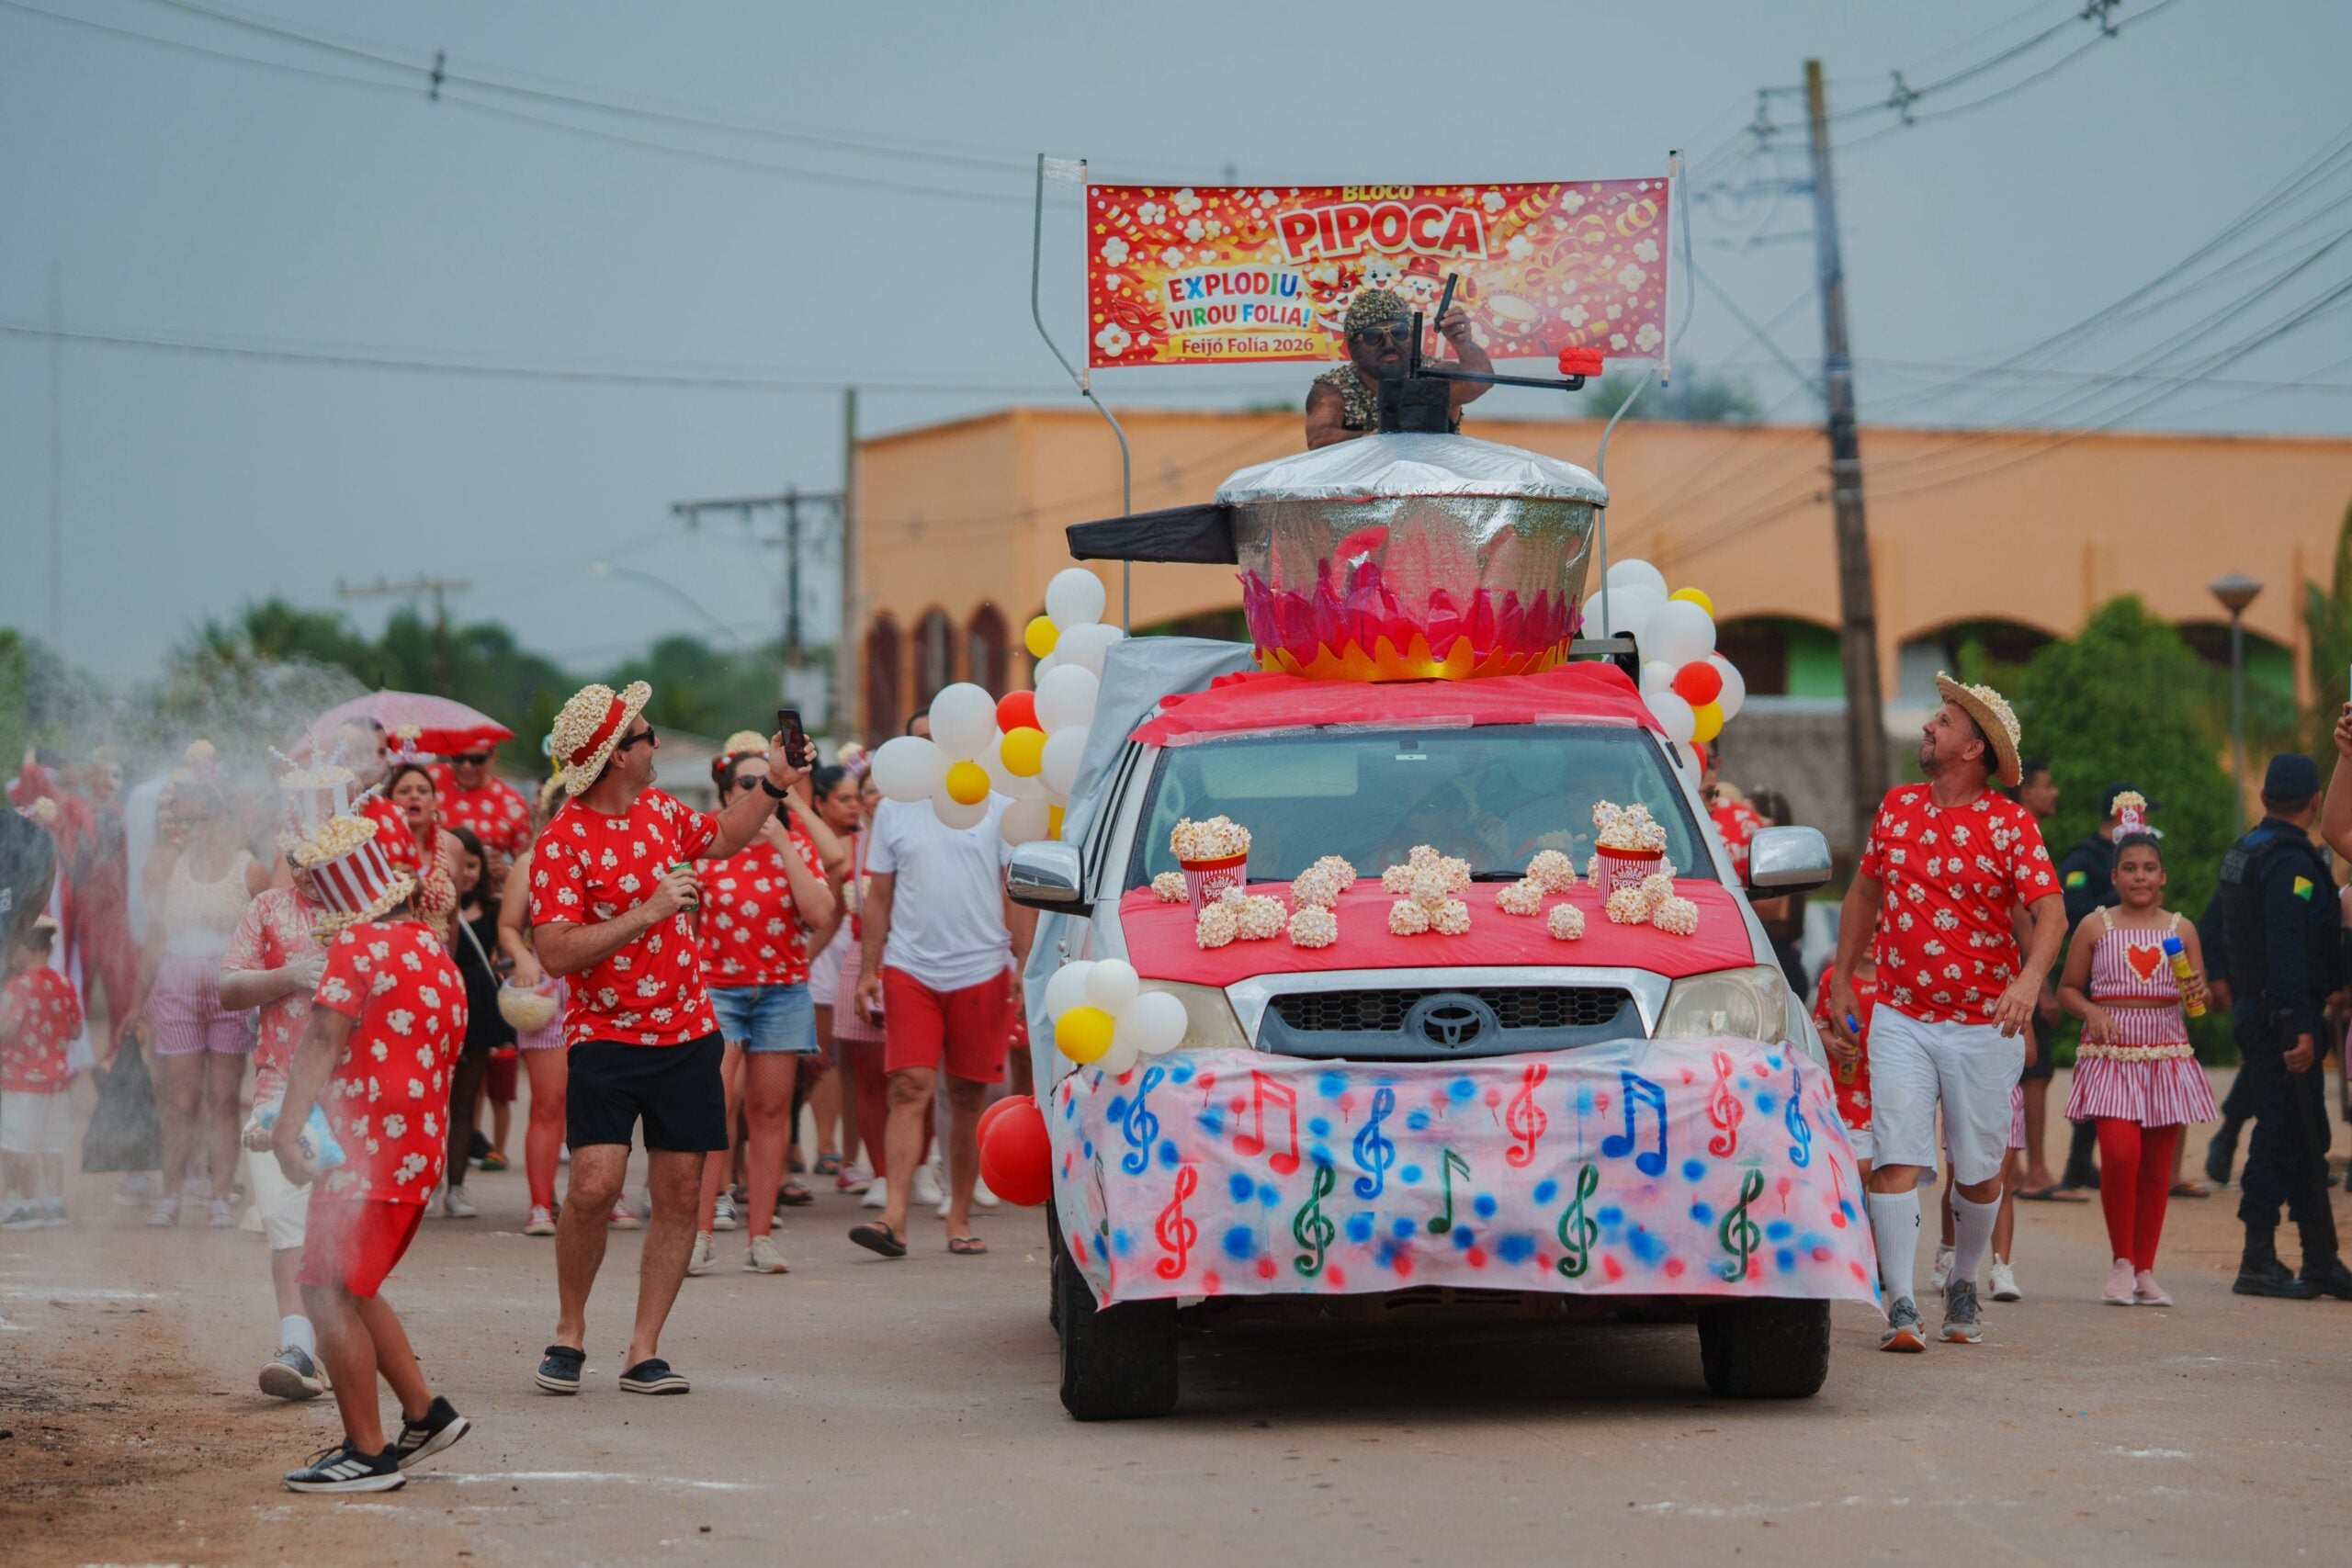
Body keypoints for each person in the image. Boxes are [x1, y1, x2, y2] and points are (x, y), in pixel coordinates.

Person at [526, 683, 806, 1398]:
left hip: (688, 1031)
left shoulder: (659, 809)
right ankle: (569, 1331)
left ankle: (643, 1349)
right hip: (605, 1034)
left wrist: (775, 782)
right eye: (646, 734)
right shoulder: (561, 839)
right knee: (595, 1183)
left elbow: (725, 835)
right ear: (618, 756)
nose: (656, 742)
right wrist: (647, 912)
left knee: (680, 1190)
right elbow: (554, 950)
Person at [1827, 675, 2063, 1351]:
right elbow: (1863, 893)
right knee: (1895, 1155)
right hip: (1901, 1016)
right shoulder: (1896, 806)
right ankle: (1900, 1304)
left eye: (1944, 721)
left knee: (1981, 1170)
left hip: (1985, 1024)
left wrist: (2028, 982)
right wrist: (1842, 977)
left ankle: (1963, 1280)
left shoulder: (2011, 823)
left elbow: (2051, 911)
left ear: (1973, 749)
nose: (1929, 726)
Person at [267, 805, 470, 1494]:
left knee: (324, 1289)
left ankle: (367, 1451)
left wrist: (286, 1128)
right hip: (413, 1153)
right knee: (353, 1285)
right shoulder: (431, 948)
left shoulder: (357, 947)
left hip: (367, 1155)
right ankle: (424, 1415)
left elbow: (323, 1038)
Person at [846, 784, 1035, 1259]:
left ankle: (959, 1217)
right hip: (910, 967)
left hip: (983, 968)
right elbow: (879, 896)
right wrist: (869, 969)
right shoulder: (894, 809)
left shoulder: (998, 806)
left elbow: (1017, 892)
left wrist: (1025, 963)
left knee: (969, 1094)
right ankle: (893, 1217)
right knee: (910, 1085)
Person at [2052, 818, 2217, 1306]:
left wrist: (2199, 991)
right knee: (2121, 1156)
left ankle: (2145, 1270)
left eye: (2148, 868)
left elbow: (2200, 1000)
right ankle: (2121, 1261)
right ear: (2115, 876)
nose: (2140, 876)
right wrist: (2091, 1011)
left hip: (2166, 1055)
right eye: (2129, 868)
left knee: (2156, 1170)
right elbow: (2067, 990)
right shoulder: (2094, 926)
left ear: (2162, 876)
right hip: (2110, 1056)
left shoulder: (2181, 928)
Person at [2208, 754, 2352, 1300]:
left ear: (2266, 797)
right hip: (2283, 1018)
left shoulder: (2246, 850)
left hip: (2262, 1011)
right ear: (2314, 801)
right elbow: (2286, 945)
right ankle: (2258, 1259)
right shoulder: (2290, 861)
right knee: (2280, 1136)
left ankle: (2320, 1258)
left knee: (2306, 1134)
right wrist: (2300, 1025)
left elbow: (2221, 926)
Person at [689, 750, 835, 1277]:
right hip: (718, 992)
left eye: (767, 780)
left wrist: (783, 844)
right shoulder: (706, 845)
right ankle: (700, 1234)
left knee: (770, 1114)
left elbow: (820, 914)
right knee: (713, 1107)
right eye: (747, 781)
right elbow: (681, 923)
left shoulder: (795, 842)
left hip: (781, 993)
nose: (759, 788)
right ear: (728, 792)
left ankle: (760, 1238)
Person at [125, 761, 269, 1228]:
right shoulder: (168, 866)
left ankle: (220, 1195)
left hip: (229, 989)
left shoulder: (250, 870)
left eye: (194, 819)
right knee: (180, 1097)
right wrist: (136, 1002)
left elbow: (266, 939)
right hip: (178, 984)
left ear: (218, 818)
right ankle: (171, 1193)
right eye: (180, 821)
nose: (186, 830)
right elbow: (155, 938)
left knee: (224, 1096)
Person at [219, 850, 334, 1400]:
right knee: (287, 1226)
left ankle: (337, 1345)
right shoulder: (267, 907)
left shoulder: (372, 910)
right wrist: (291, 975)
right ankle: (297, 1348)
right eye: (297, 859)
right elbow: (228, 987)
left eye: (323, 858)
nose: (307, 871)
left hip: (352, 1093)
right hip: (278, 1088)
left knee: (341, 1233)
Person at [2045, 784, 2143, 1196]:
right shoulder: (2084, 858)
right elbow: (2071, 909)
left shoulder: (2133, 855)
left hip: (2131, 972)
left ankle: (2082, 1160)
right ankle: (2079, 1160)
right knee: (2097, 1069)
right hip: (2093, 977)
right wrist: (2119, 895)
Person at [497, 778, 571, 1237]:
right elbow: (508, 926)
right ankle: (541, 1204)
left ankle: (602, 1194)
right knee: (549, 1100)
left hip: (606, 987)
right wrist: (524, 959)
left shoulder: (618, 854)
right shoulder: (530, 862)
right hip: (549, 989)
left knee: (605, 1100)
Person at [1304, 287, 1492, 449]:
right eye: (1373, 336)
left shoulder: (1432, 375)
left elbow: (1476, 383)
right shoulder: (1333, 388)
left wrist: (1463, 343)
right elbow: (1319, 438)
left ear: (1412, 336)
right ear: (1352, 348)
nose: (1389, 344)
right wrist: (1374, 439)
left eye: (1399, 332)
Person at [439, 826, 514, 1221]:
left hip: (479, 1012)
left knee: (465, 1103)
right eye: (460, 864)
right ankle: (427, 1181)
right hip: (438, 1006)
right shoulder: (431, 902)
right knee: (430, 1102)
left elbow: (512, 945)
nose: (466, 873)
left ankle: (456, 1186)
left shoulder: (494, 906)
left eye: (473, 865)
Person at [1, 917, 81, 1228]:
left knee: (20, 1144)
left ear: (22, 948)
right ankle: (55, 1203)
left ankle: (28, 1204)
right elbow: (75, 1030)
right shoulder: (64, 984)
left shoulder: (18, 986)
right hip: (57, 1079)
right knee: (52, 1145)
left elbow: (9, 1029)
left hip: (22, 1080)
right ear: (49, 947)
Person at [804, 763, 865, 1179]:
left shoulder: (871, 840)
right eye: (843, 799)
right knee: (820, 1058)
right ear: (820, 802)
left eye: (856, 798)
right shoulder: (805, 840)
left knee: (854, 1063)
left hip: (857, 949)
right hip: (820, 950)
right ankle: (823, 1144)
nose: (853, 806)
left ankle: (849, 1156)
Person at [1811, 950, 1876, 1184]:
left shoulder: (1898, 980)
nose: (1871, 936)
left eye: (1878, 931)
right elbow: (1819, 1025)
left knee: (1885, 1173)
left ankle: (1871, 1209)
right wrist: (1833, 1044)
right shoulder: (1834, 979)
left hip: (1887, 1087)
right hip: (1848, 1085)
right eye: (1865, 931)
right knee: (1859, 1166)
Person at [428, 743, 533, 886]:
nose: (466, 766)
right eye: (458, 758)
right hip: (432, 887)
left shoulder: (512, 803)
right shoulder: (429, 781)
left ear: (492, 755)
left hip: (484, 893)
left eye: (477, 759)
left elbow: (527, 868)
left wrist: (505, 871)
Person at [385, 763, 461, 945]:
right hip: (390, 949)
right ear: (389, 801)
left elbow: (453, 922)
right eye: (404, 791)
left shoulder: (452, 846)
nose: (414, 796)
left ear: (434, 802)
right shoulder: (377, 846)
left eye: (422, 791)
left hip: (438, 951)